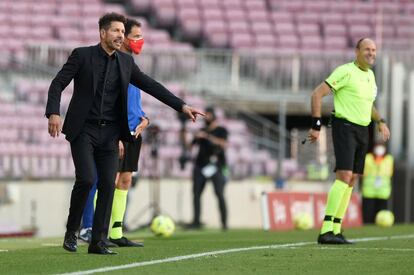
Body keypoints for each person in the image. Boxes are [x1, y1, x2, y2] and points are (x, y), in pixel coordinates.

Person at [45, 12, 204, 255]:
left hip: (110, 133)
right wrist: (53, 113)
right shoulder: (82, 55)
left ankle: (98, 242)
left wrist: (181, 106)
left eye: (122, 32)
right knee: (87, 179)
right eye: (116, 31)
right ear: (102, 33)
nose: (121, 36)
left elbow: (151, 85)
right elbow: (57, 83)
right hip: (83, 130)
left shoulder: (126, 62)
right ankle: (72, 230)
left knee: (108, 183)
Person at [308, 38, 390, 244]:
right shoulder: (345, 71)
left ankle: (336, 228)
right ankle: (325, 230)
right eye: (367, 49)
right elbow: (317, 94)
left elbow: (368, 105)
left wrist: (380, 121)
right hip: (345, 126)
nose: (371, 53)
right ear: (357, 51)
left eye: (374, 50)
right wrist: (316, 125)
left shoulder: (371, 76)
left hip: (364, 130)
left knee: (353, 179)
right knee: (344, 175)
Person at [79, 18, 149, 248]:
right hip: (116, 131)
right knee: (105, 181)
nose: (140, 41)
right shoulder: (114, 65)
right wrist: (117, 133)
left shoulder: (131, 66)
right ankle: (92, 229)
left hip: (134, 131)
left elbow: (134, 101)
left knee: (125, 180)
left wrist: (144, 118)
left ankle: (116, 233)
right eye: (135, 36)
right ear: (123, 38)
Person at [187, 107, 229, 230]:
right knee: (196, 194)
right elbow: (189, 147)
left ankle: (224, 223)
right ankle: (196, 221)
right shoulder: (201, 130)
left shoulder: (221, 130)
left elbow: (223, 144)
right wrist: (194, 136)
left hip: (216, 166)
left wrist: (207, 137)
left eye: (209, 115)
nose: (207, 119)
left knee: (219, 194)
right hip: (200, 166)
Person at [361, 143, 394, 223]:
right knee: (368, 211)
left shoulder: (389, 159)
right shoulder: (368, 158)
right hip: (369, 190)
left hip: (383, 191)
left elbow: (390, 172)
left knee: (381, 212)